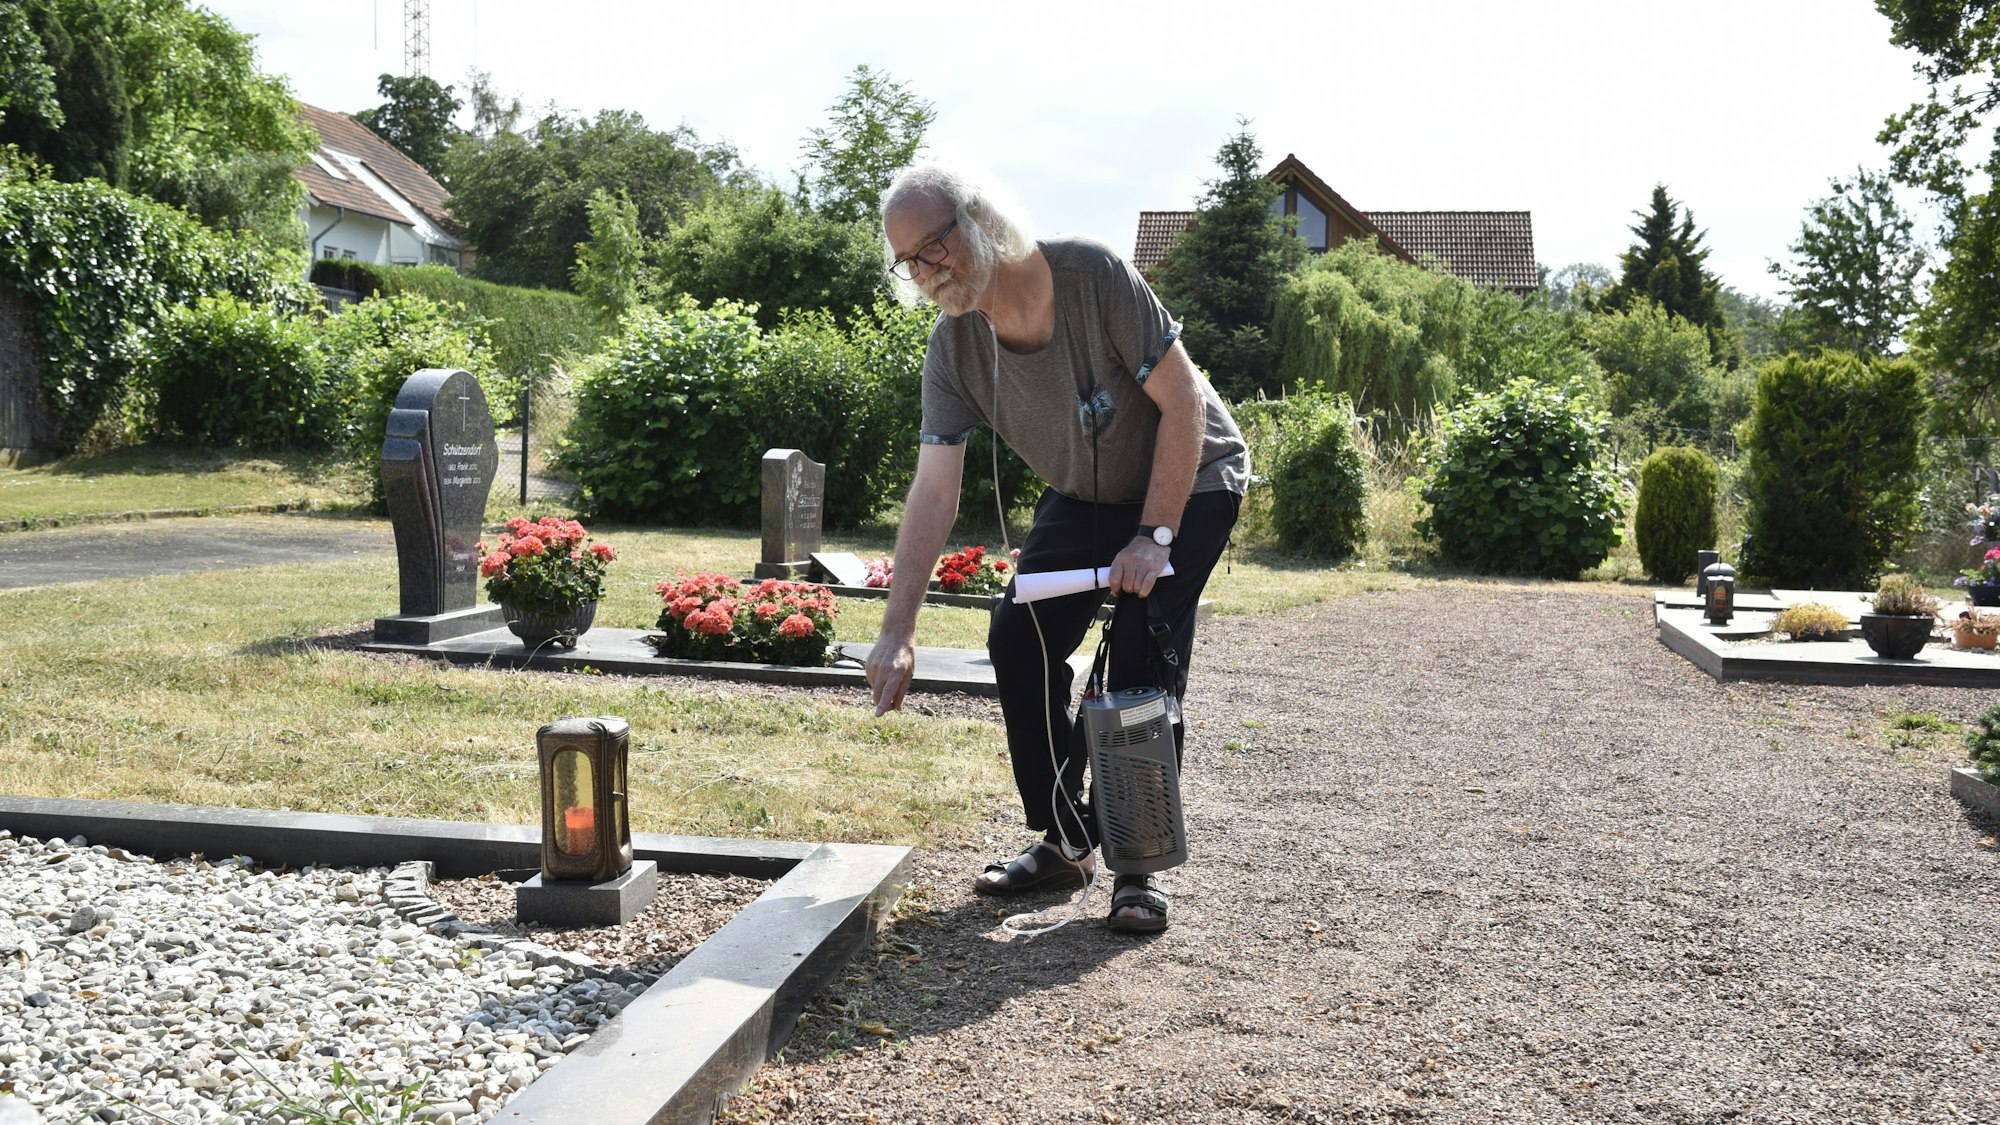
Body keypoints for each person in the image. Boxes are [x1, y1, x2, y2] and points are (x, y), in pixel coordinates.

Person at [864, 163, 1249, 934]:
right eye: (909, 261)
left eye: (934, 247)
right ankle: (1066, 836)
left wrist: (1155, 536)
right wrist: (897, 630)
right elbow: (935, 491)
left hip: (1193, 476)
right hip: (1087, 494)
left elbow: (1182, 402)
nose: (924, 272)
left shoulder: (1091, 274)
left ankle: (1136, 868)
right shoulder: (955, 349)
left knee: (1138, 652)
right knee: (1017, 635)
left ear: (977, 221)